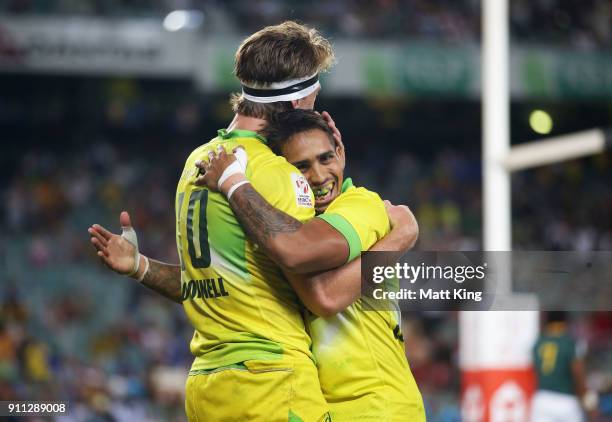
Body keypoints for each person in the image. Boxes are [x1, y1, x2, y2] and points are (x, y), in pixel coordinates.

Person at [89, 21, 419, 421]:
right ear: (297, 105)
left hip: (208, 385)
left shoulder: (198, 162)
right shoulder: (273, 173)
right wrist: (401, 236)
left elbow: (216, 284)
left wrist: (142, 267)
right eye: (313, 102)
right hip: (272, 380)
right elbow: (319, 284)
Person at [197, 109, 425, 421]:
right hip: (330, 407)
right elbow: (222, 286)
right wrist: (141, 268)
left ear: (341, 153)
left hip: (377, 406)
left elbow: (325, 296)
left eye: (326, 159)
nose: (318, 176)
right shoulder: (285, 233)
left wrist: (234, 183)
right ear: (283, 173)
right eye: (302, 166)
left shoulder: (360, 205)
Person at [531, 311, 598, 422]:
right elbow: (579, 376)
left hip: (541, 400)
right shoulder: (569, 343)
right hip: (566, 400)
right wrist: (590, 404)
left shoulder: (538, 343)